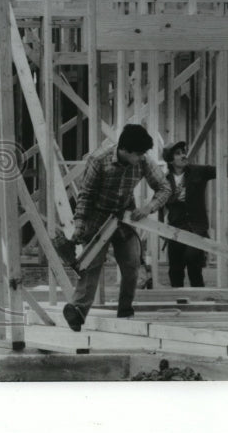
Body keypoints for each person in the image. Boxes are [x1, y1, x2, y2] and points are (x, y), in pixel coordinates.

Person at [62, 124, 171, 331]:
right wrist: (79, 226)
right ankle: (77, 312)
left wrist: (148, 208)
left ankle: (125, 312)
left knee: (131, 265)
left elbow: (164, 187)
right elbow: (85, 196)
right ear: (125, 150)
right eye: (138, 154)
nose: (141, 157)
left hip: (124, 216)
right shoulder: (98, 160)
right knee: (90, 266)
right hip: (98, 216)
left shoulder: (143, 161)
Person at [159, 141, 228, 288]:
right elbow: (159, 204)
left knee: (193, 262)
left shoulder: (198, 171)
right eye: (178, 153)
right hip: (175, 229)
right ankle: (179, 304)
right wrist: (161, 229)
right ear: (170, 160)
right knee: (175, 271)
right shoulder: (164, 180)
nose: (183, 155)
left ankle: (199, 300)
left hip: (197, 227)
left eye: (183, 152)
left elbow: (225, 171)